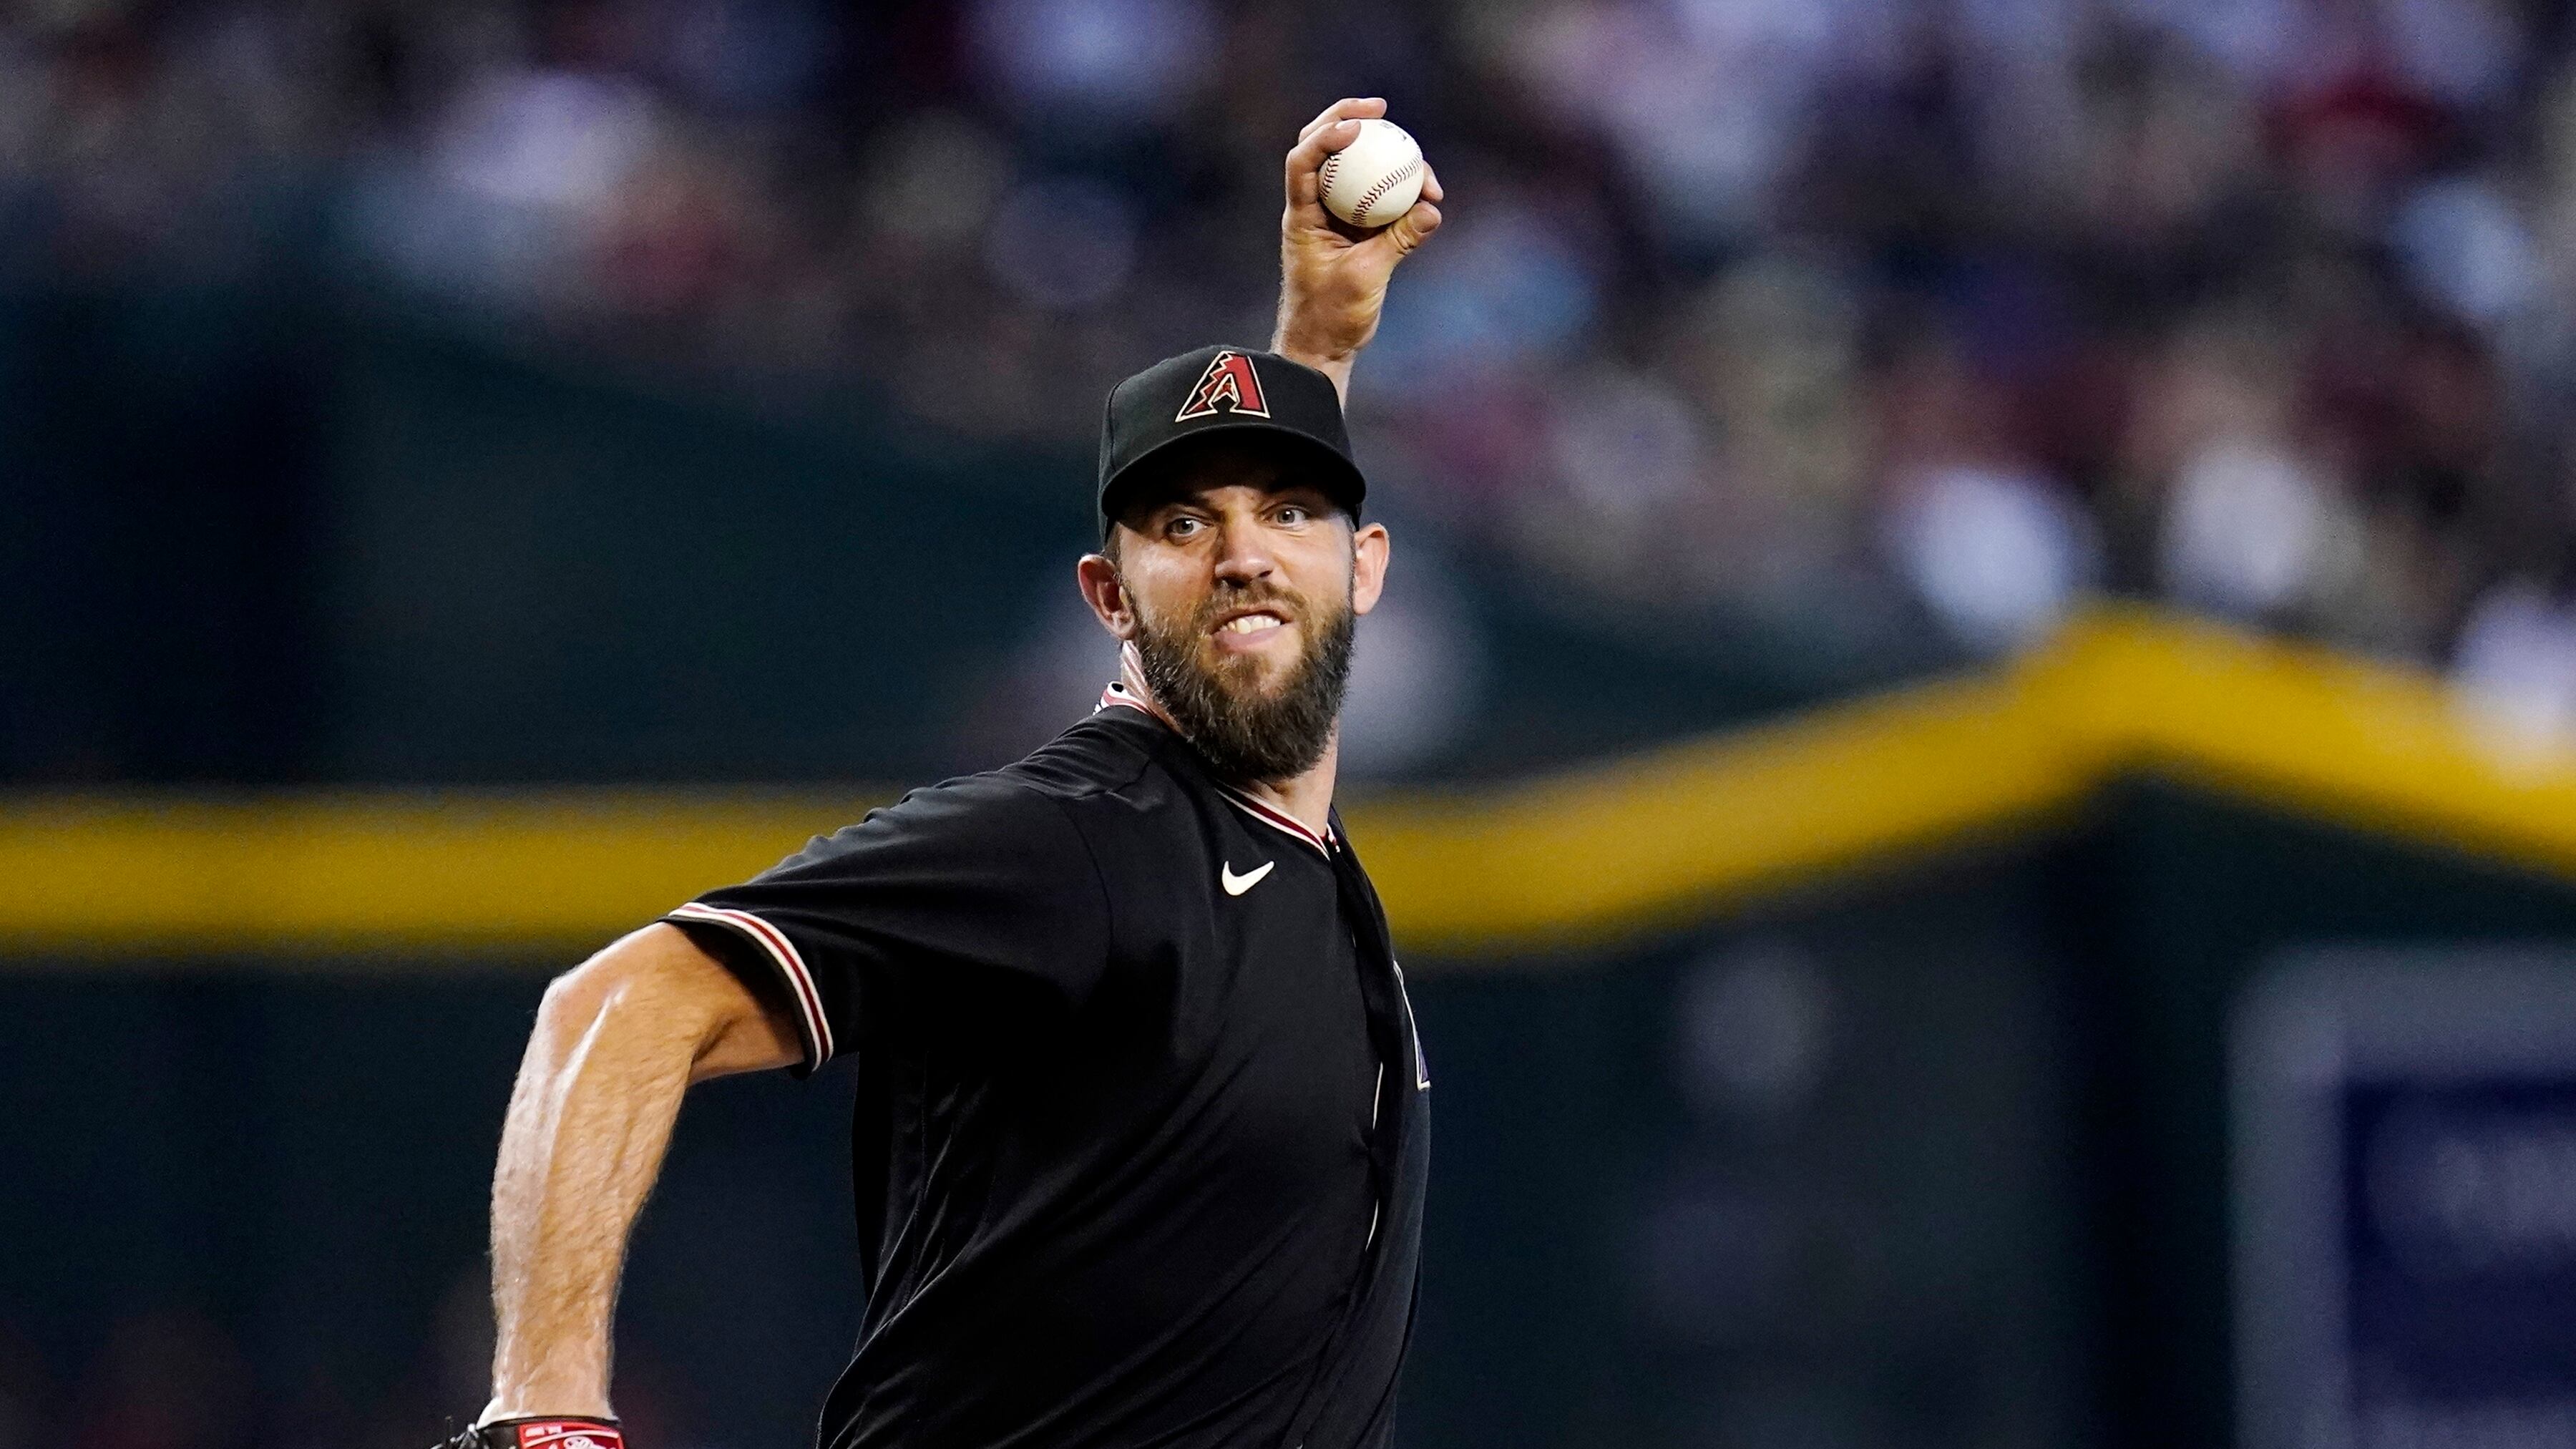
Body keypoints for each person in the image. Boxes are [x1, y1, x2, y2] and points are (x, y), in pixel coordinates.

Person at [439, 97, 1445, 1449]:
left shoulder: (1288, 859)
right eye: (1182, 523)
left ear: (1366, 568)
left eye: (1288, 512)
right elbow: (615, 1008)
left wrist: (1316, 344)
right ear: (1109, 596)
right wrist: (546, 1408)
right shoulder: (1076, 839)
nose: (1244, 555)